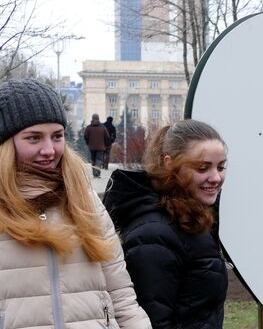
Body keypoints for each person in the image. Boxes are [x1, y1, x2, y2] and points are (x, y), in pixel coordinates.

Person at [0, 78, 151, 328]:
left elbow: (121, 295)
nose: (49, 150)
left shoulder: (86, 200)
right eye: (34, 138)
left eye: (57, 136)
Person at [103, 119, 229, 329]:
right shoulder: (154, 235)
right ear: (169, 163)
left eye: (221, 167)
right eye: (203, 168)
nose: (216, 177)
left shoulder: (190, 219)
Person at [84, 113, 110, 178]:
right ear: (98, 118)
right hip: (101, 147)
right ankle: (97, 173)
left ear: (92, 118)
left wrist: (88, 142)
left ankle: (94, 173)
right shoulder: (103, 127)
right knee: (99, 160)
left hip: (91, 147)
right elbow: (107, 137)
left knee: (93, 160)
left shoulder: (88, 128)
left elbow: (85, 136)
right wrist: (106, 144)